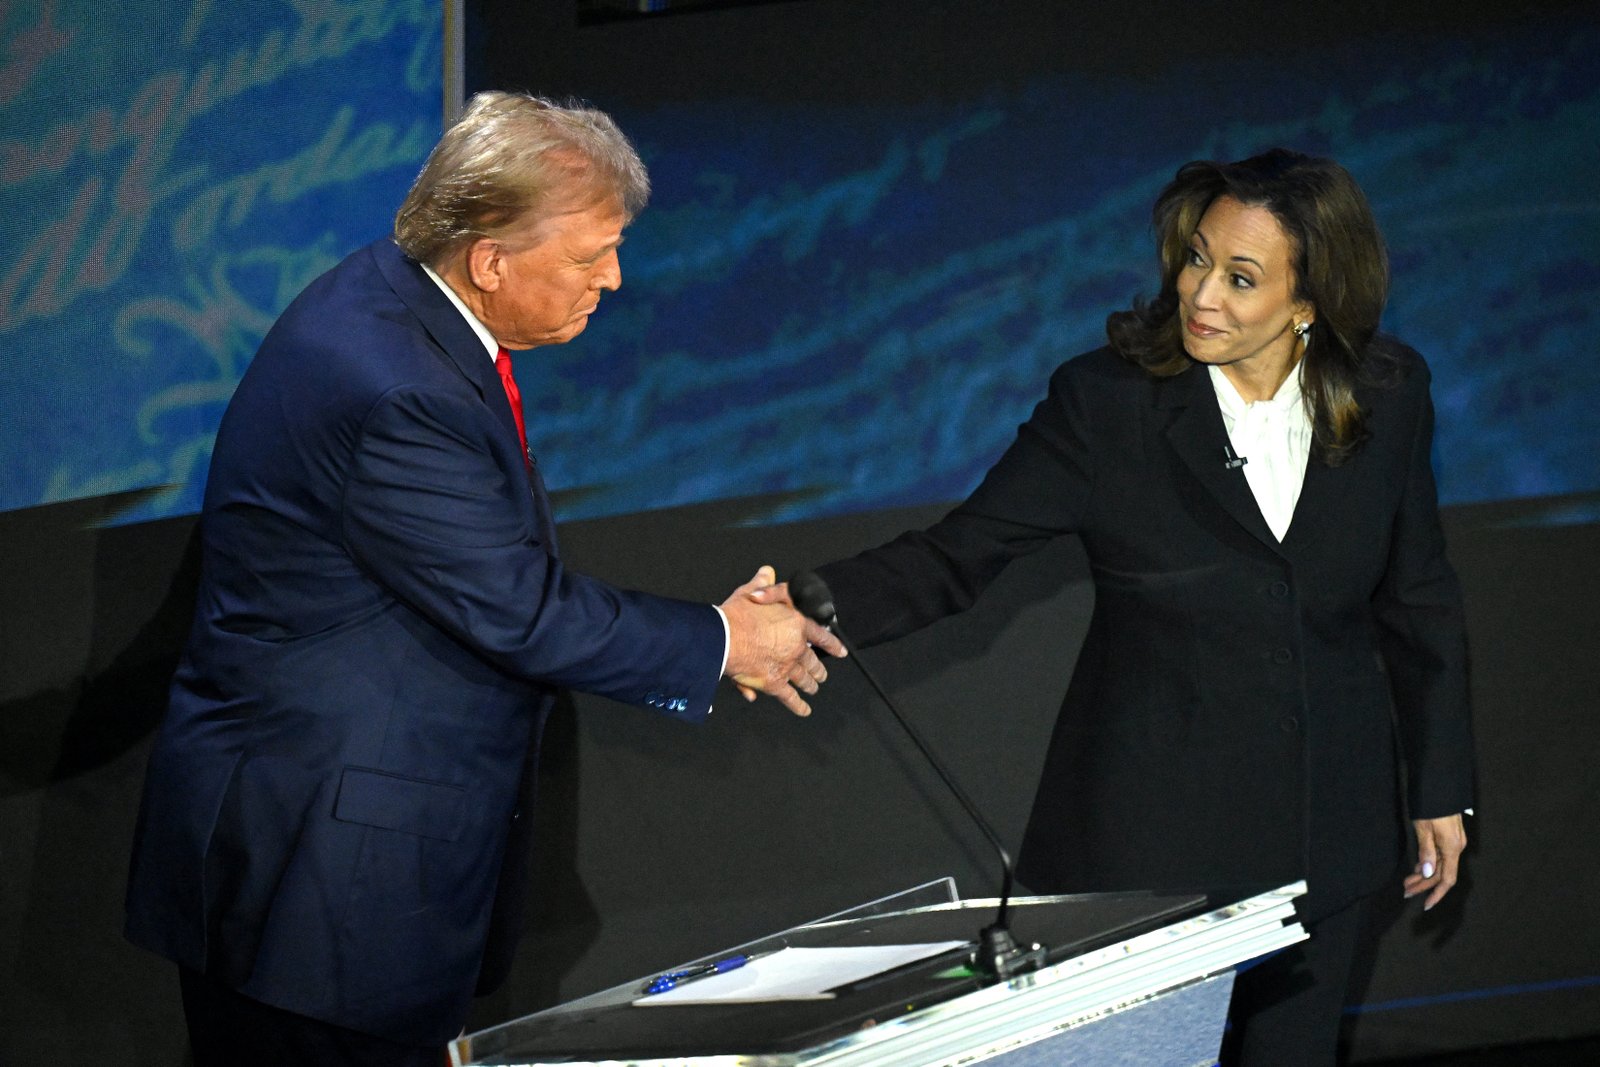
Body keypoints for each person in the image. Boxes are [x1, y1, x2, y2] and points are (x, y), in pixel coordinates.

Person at [124, 91, 844, 1067]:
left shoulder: (390, 300)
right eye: (590, 256)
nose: (615, 279)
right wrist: (725, 638)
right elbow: (519, 608)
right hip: (319, 884)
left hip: (321, 855)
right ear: (490, 257)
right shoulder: (395, 384)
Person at [787, 149, 1473, 1065]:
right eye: (1197, 258)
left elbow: (1419, 597)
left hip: (1328, 835)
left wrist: (1439, 786)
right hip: (1149, 849)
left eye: (1241, 278)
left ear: (1309, 301)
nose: (1202, 295)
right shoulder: (1107, 404)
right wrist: (805, 607)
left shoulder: (1389, 392)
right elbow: (960, 555)